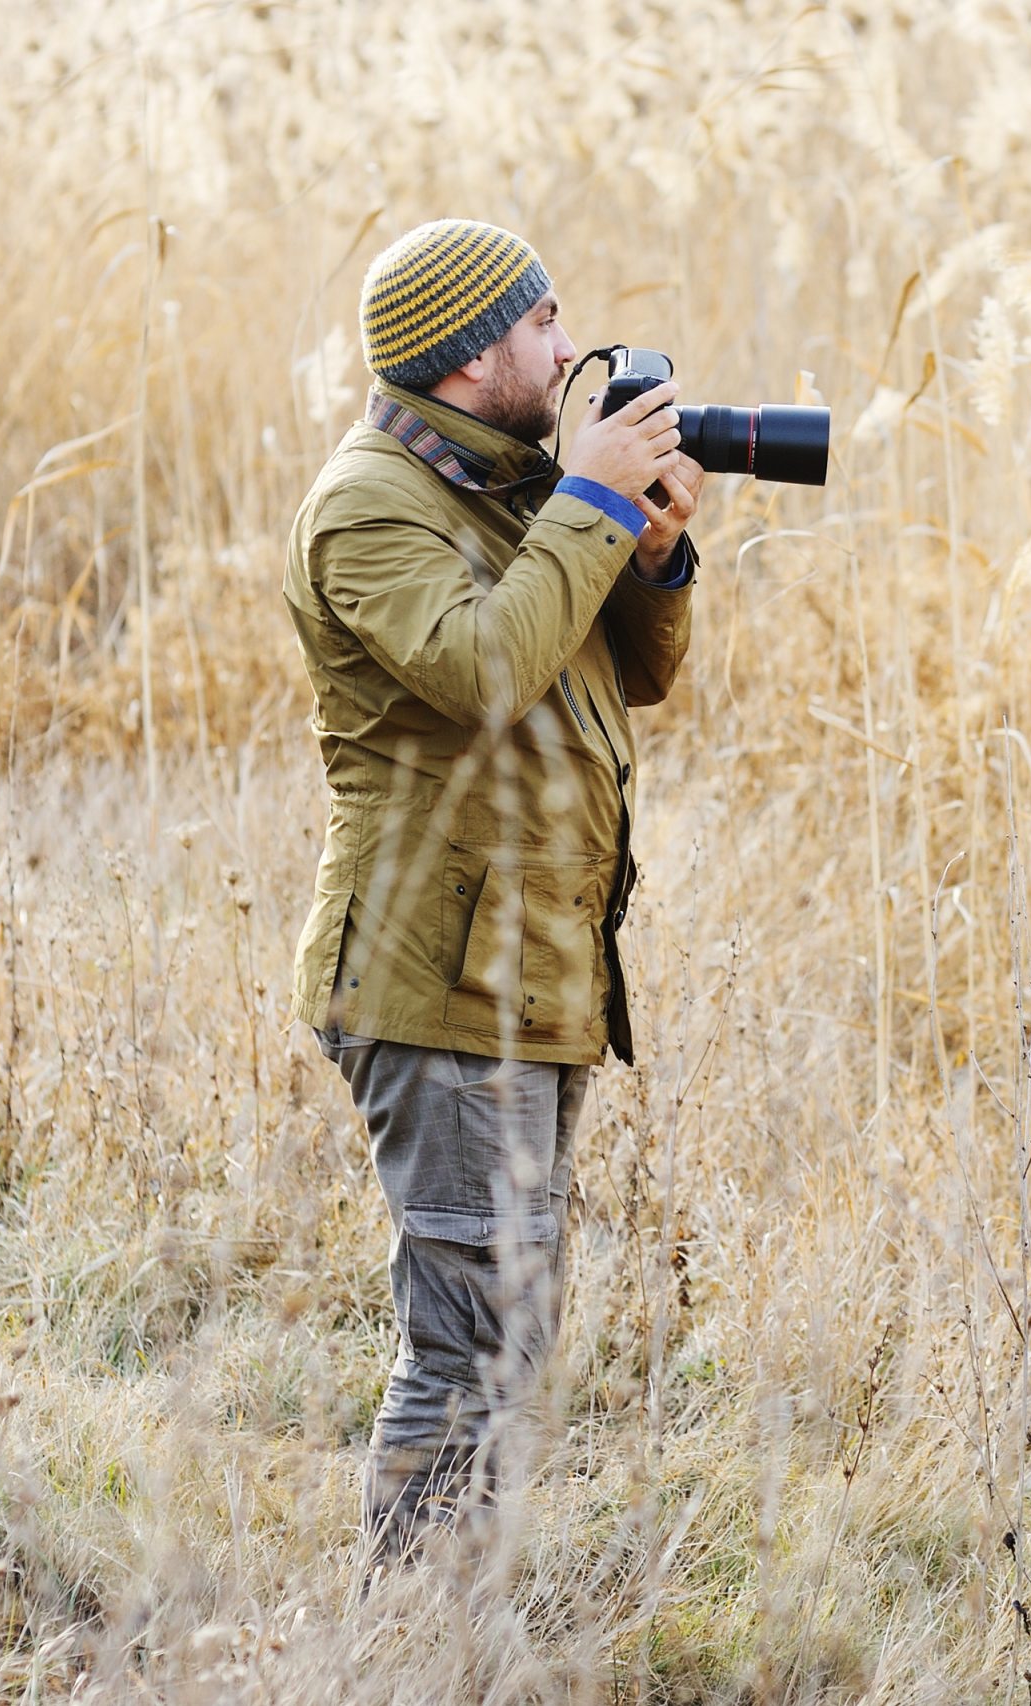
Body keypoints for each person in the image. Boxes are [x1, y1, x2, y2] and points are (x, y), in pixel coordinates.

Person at [280, 217, 702, 1567]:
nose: (569, 350)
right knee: (465, 1346)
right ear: (471, 357)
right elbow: (487, 668)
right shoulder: (369, 506)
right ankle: (410, 1634)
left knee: (509, 1332)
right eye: (542, 323)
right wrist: (588, 504)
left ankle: (459, 1617)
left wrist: (652, 553)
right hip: (436, 976)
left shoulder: (505, 481)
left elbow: (629, 674)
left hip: (524, 970)